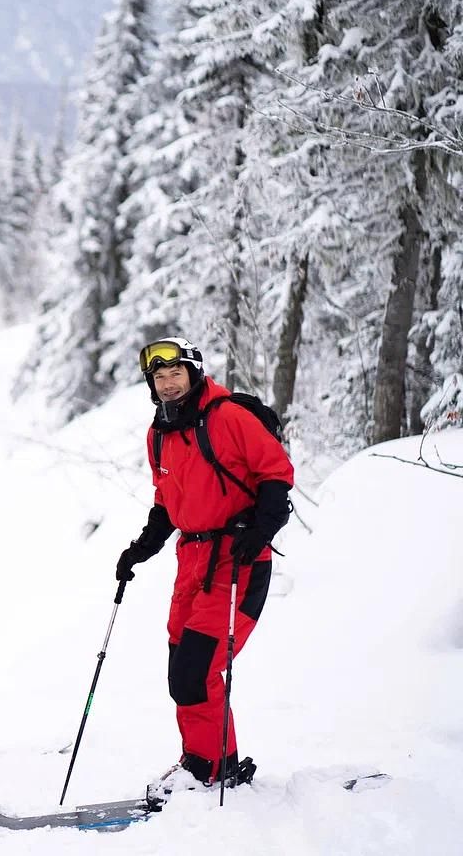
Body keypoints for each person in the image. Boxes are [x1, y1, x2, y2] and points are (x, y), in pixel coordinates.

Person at [116, 338, 294, 795]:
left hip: (238, 560)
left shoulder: (228, 416)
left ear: (194, 373)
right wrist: (140, 549)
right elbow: (166, 504)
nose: (168, 383)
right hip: (191, 560)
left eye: (176, 374)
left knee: (199, 668)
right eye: (159, 377)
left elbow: (275, 473)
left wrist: (261, 530)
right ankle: (205, 760)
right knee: (183, 671)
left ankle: (211, 769)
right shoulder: (158, 434)